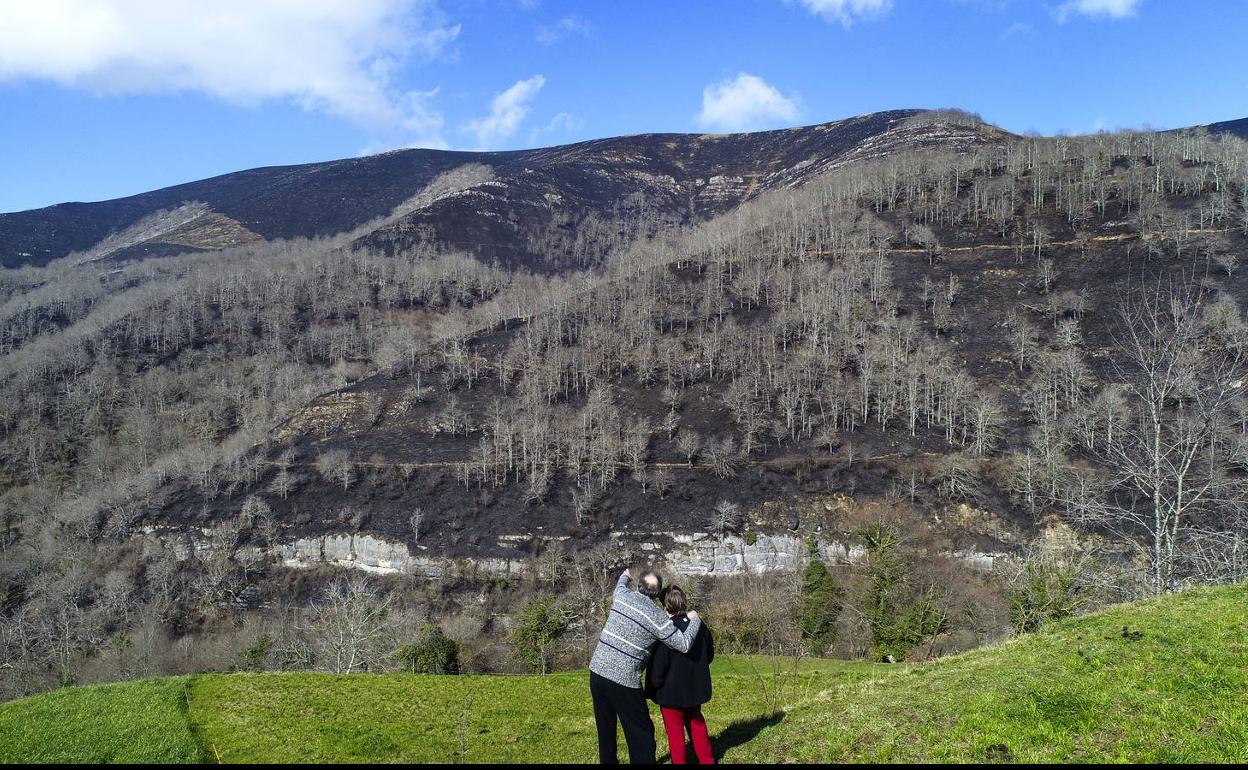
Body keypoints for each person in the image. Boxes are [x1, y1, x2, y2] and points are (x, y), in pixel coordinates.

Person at [589, 568, 702, 764]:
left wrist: (625, 575)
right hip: (624, 680)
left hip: (597, 671)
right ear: (658, 594)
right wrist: (695, 619)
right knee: (641, 733)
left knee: (605, 729)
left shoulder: (622, 595)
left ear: (639, 586)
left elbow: (620, 583)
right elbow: (683, 644)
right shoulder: (657, 618)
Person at [645, 586, 715, 765]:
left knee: (675, 734)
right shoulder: (699, 626)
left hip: (670, 693)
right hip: (694, 689)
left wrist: (654, 686)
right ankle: (708, 760)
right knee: (697, 725)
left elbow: (658, 667)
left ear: (665, 605)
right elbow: (709, 654)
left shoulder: (666, 630)